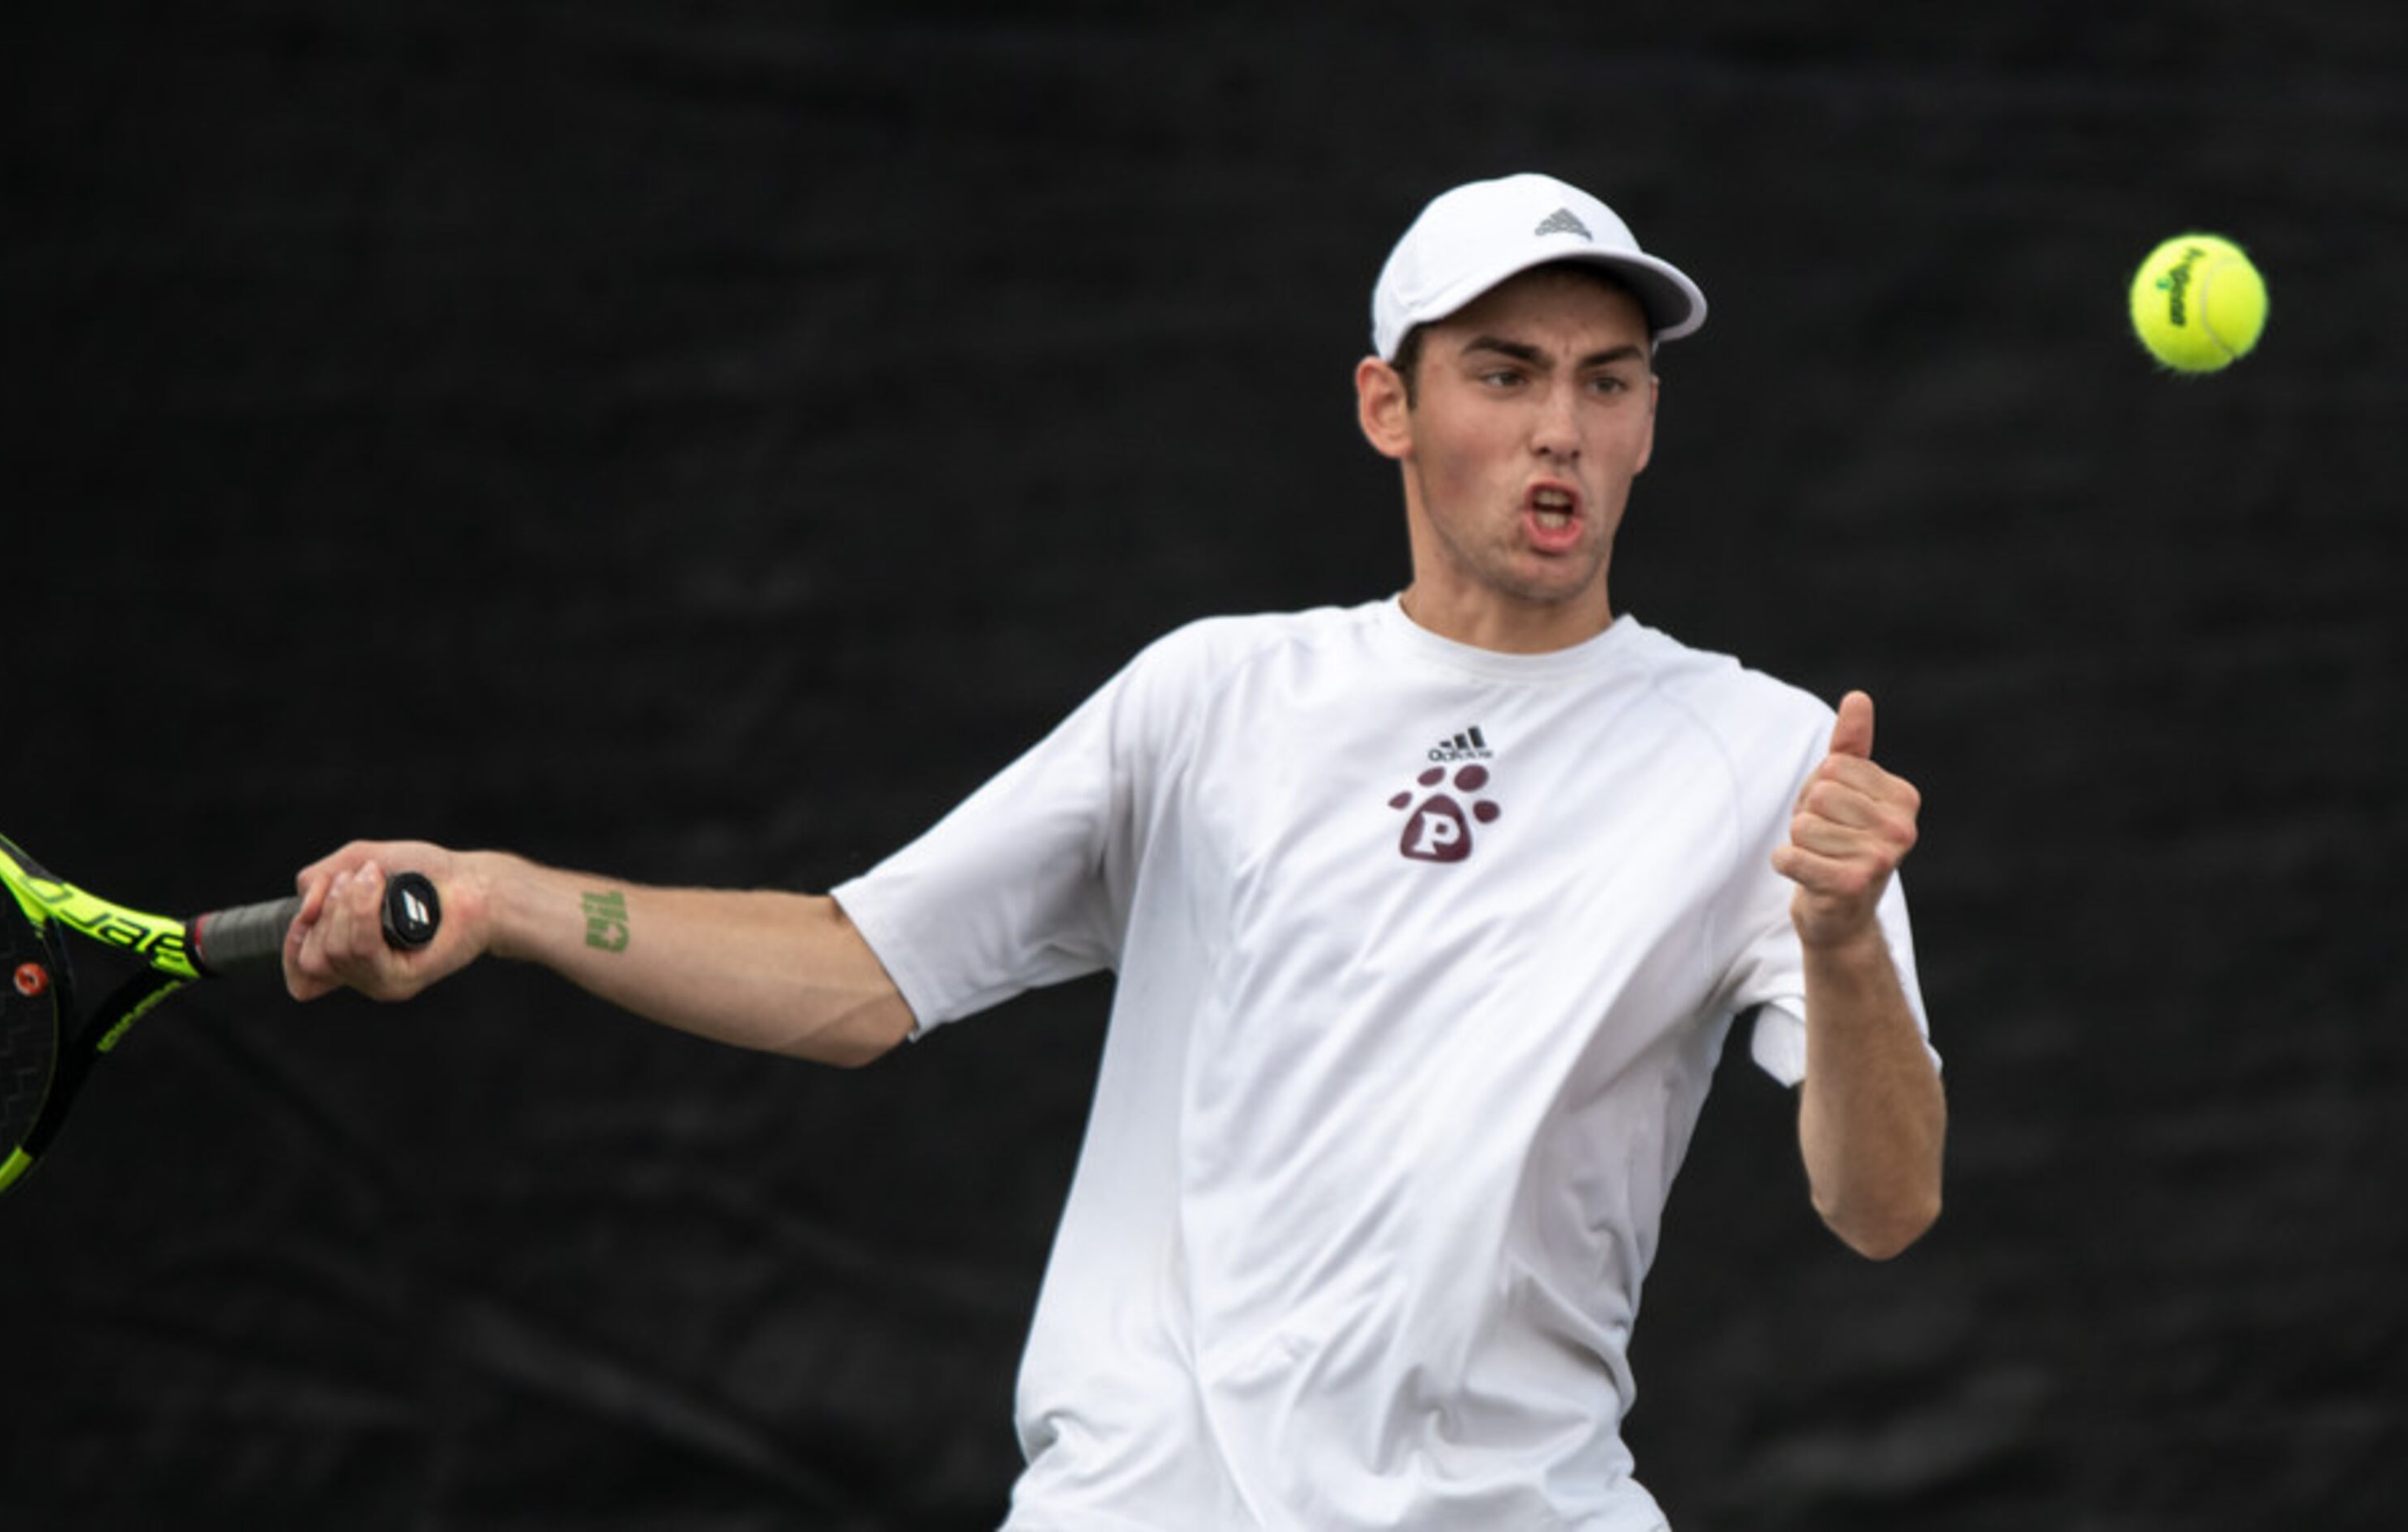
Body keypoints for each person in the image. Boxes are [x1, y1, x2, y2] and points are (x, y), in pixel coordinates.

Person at [285, 172, 1946, 1530]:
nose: (1559, 431)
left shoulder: (1772, 761)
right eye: (1502, 374)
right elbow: (862, 974)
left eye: (1606, 381)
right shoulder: (1212, 697)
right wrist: (508, 902)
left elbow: (1883, 1208)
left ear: (1651, 419)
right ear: (1388, 406)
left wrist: (1843, 944)